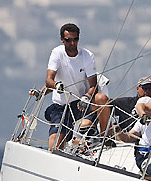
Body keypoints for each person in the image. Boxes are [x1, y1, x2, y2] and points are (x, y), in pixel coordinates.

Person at [30, 23, 107, 151]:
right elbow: (49, 81)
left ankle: (103, 139)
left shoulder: (87, 56)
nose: (72, 43)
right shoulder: (57, 53)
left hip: (80, 104)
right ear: (62, 40)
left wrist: (87, 97)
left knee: (96, 106)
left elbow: (93, 85)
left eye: (75, 39)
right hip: (60, 108)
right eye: (68, 40)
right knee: (54, 146)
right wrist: (57, 85)